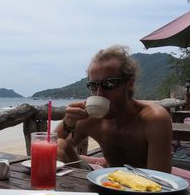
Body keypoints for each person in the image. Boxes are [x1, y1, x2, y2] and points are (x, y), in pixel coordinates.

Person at [56, 45, 172, 173]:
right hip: (106, 179)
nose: (99, 94)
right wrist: (67, 123)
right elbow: (53, 146)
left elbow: (161, 178)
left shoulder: (153, 119)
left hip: (145, 184)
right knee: (59, 144)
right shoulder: (91, 118)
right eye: (93, 85)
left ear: (130, 84)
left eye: (109, 84)